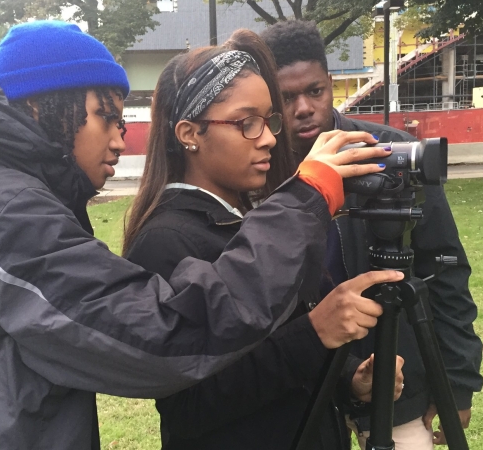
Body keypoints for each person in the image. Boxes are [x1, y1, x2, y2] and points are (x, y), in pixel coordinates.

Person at [0, 21, 397, 450]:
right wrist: (307, 197)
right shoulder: (7, 211)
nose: (122, 139)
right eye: (106, 117)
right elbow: (167, 339)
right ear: (40, 106)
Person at [123, 29, 404, 450]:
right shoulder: (166, 241)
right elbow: (189, 405)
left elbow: (282, 345)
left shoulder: (256, 218)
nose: (271, 137)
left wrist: (349, 378)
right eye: (246, 123)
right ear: (189, 133)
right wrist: (315, 333)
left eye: (268, 120)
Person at [261, 20, 483, 449]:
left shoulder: (393, 157)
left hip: (395, 378)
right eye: (286, 98)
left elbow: (446, 271)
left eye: (314, 91)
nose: (303, 108)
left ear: (331, 84)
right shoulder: (260, 168)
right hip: (302, 386)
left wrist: (457, 381)